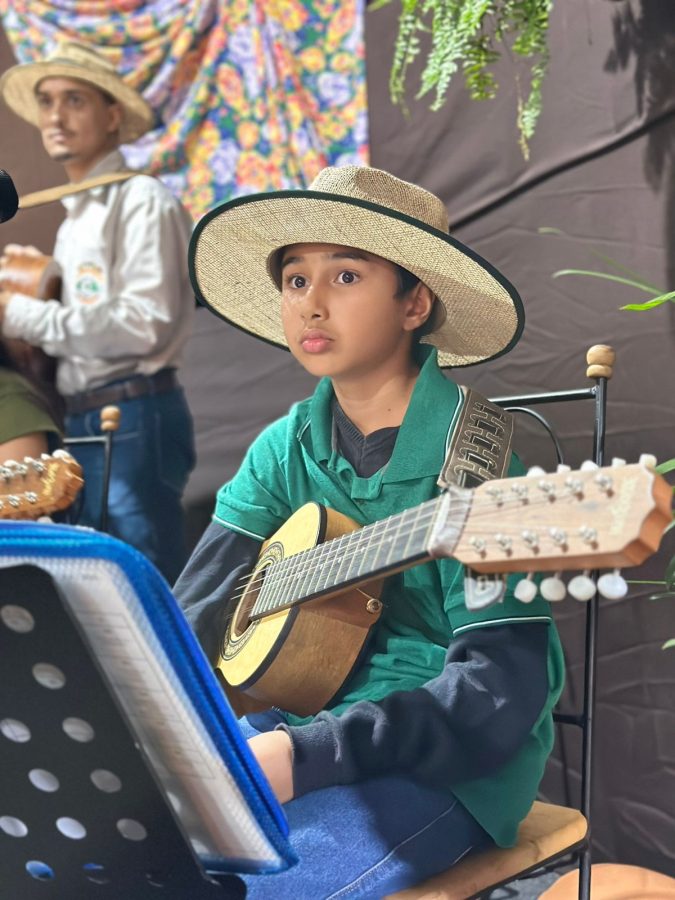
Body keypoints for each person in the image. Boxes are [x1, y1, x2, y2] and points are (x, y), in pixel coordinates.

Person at [175, 165, 565, 898]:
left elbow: (497, 695)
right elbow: (193, 611)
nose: (312, 305)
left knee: (264, 893)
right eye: (295, 281)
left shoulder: (477, 473)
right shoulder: (284, 447)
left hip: (446, 765)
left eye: (345, 277)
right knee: (135, 851)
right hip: (297, 724)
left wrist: (307, 754)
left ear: (414, 302)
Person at [0, 42, 195, 583]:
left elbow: (143, 324)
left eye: (75, 100)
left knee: (145, 576)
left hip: (136, 412)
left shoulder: (143, 201)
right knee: (102, 580)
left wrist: (20, 315)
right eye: (45, 101)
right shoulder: (73, 218)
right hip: (87, 417)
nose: (55, 117)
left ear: (112, 115)